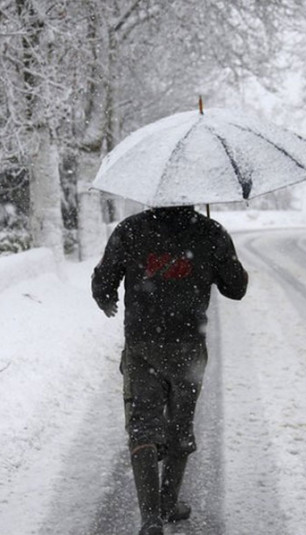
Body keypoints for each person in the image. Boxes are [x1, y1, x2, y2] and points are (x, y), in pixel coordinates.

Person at [92, 205, 248, 535]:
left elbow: (103, 282)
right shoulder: (210, 232)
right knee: (180, 423)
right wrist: (213, 250)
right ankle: (167, 504)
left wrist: (107, 298)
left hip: (143, 344)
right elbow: (236, 288)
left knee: (143, 424)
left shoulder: (130, 229)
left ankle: (150, 519)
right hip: (188, 346)